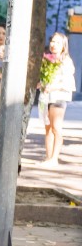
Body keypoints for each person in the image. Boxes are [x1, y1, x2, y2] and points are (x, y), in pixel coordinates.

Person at [38, 32, 75, 168]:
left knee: (56, 128)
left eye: (57, 42)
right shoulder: (46, 59)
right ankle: (48, 158)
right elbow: (43, 78)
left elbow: (68, 83)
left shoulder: (66, 61)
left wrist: (52, 87)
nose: (54, 45)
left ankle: (55, 158)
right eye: (52, 41)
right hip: (46, 97)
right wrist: (41, 84)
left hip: (58, 97)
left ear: (63, 46)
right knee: (48, 128)